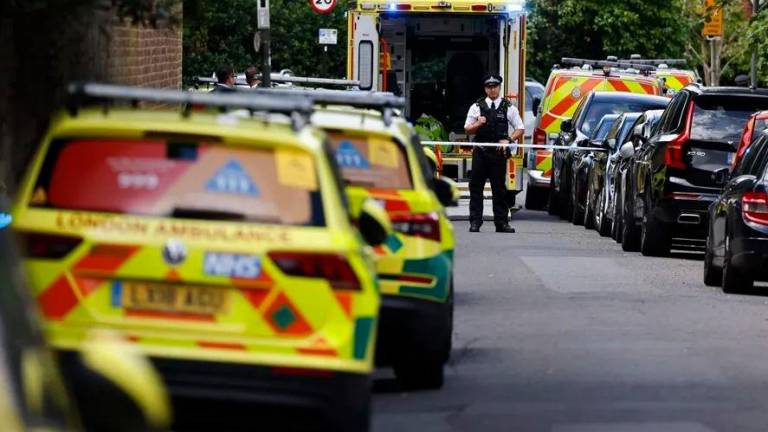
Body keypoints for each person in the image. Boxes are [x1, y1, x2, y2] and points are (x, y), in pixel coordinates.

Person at [464, 74, 525, 233]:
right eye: (489, 87)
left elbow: (520, 128)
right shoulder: (477, 106)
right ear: (485, 89)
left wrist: (510, 140)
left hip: (498, 153)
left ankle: (501, 223)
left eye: (495, 86)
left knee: (499, 189)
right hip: (481, 152)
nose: (492, 89)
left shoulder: (508, 107)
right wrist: (478, 123)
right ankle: (475, 222)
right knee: (476, 187)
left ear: (499, 87)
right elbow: (467, 128)